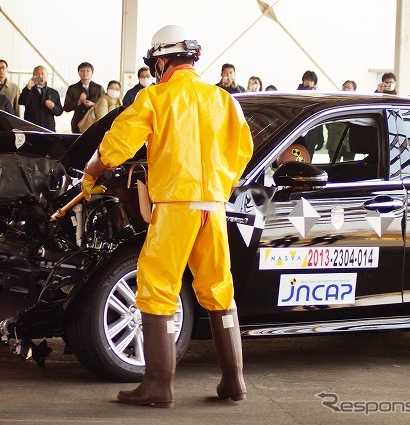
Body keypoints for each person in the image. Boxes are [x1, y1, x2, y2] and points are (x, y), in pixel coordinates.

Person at [81, 24, 253, 407]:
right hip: (214, 206)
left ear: (160, 62)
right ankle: (233, 382)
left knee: (158, 287)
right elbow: (243, 151)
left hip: (176, 206)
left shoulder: (155, 98)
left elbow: (116, 145)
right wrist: (217, 187)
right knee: (217, 287)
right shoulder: (224, 100)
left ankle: (158, 385)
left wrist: (90, 174)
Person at [18, 65, 63, 131]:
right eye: (37, 74)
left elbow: (59, 112)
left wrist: (53, 107)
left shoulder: (53, 92)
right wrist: (28, 87)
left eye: (42, 73)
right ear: (33, 76)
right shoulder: (28, 89)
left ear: (47, 76)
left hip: (48, 128)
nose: (40, 76)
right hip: (31, 128)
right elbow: (22, 101)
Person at [63, 62, 104, 133]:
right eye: (82, 71)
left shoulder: (99, 88)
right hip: (77, 123)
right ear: (78, 73)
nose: (85, 73)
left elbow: (103, 106)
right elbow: (66, 108)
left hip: (94, 122)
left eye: (88, 71)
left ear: (92, 73)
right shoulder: (72, 88)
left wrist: (93, 104)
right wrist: (79, 101)